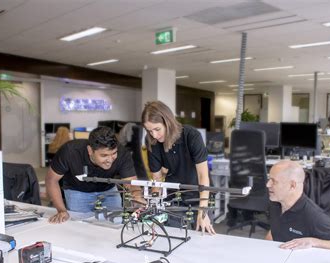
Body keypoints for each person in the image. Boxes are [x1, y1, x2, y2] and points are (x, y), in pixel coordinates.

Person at [141, 100, 215, 235]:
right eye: (149, 130)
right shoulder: (151, 140)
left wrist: (202, 211)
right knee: (174, 237)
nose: (154, 135)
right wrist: (153, 206)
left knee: (201, 239)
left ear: (168, 122)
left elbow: (203, 176)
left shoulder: (191, 136)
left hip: (200, 195)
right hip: (174, 197)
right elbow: (156, 179)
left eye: (157, 129)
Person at [46, 126, 142, 224]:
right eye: (104, 155)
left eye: (113, 153)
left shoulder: (122, 153)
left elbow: (130, 182)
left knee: (116, 224)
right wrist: (61, 210)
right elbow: (51, 180)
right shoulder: (70, 151)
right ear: (90, 150)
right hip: (77, 191)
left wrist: (136, 196)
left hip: (108, 191)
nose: (110, 160)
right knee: (80, 226)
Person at [265, 160, 330, 251]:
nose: (267, 184)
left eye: (274, 181)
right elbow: (275, 229)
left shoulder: (313, 216)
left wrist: (313, 242)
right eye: (269, 179)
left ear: (292, 185)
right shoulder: (276, 203)